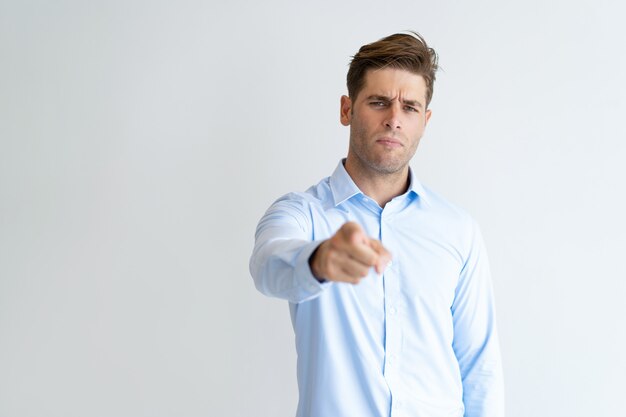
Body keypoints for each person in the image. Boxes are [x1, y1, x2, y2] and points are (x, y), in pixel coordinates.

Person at [249, 32, 504, 417]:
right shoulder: (302, 214)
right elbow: (269, 265)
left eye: (410, 107)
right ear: (347, 110)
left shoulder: (458, 230)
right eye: (379, 102)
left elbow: (479, 367)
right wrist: (319, 260)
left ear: (425, 120)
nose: (394, 120)